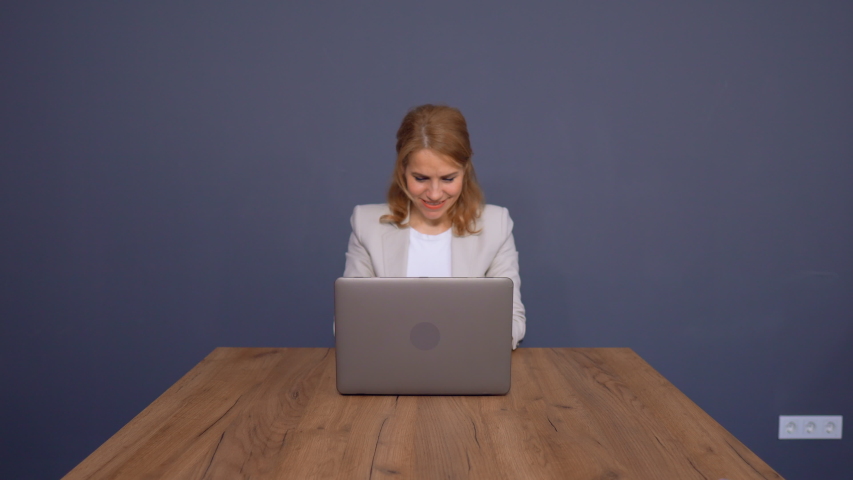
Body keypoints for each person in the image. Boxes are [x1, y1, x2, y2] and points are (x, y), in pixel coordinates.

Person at [343, 104, 526, 349]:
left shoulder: (496, 225)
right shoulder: (366, 224)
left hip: (465, 367)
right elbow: (347, 323)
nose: (435, 193)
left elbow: (514, 322)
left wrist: (467, 342)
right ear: (402, 169)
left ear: (466, 169)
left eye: (449, 178)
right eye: (421, 178)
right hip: (392, 370)